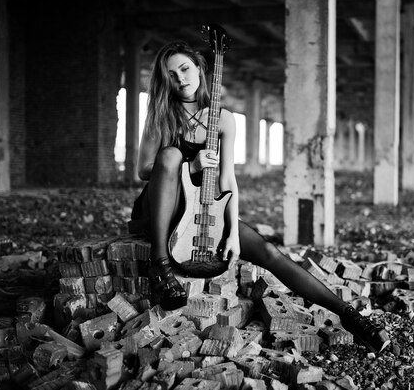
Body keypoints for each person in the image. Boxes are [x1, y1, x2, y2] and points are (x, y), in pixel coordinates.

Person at [128, 41, 390, 353]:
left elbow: (227, 180)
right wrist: (191, 164)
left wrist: (233, 235)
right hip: (161, 208)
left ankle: (350, 316)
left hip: (199, 208)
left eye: (185, 68)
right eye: (171, 74)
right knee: (170, 155)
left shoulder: (222, 120)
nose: (180, 78)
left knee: (267, 250)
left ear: (199, 68)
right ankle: (161, 264)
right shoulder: (163, 113)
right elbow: (144, 170)